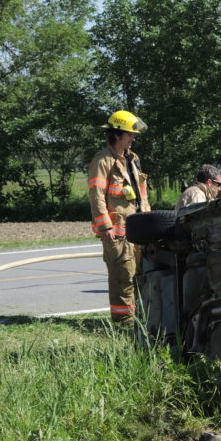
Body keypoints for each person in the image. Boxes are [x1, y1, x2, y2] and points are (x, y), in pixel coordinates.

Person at [88, 110, 150, 323]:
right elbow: (96, 196)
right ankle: (124, 322)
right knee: (122, 278)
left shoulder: (133, 160)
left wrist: (150, 223)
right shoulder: (102, 161)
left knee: (141, 276)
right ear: (117, 135)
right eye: (130, 134)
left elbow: (142, 195)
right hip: (117, 233)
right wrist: (105, 227)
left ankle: (141, 319)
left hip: (139, 230)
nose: (133, 138)